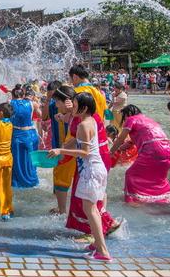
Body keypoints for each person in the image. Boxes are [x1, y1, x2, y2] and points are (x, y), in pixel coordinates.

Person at [48, 93, 112, 262]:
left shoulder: (83, 125)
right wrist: (62, 146)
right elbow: (78, 140)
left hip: (91, 171)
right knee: (92, 209)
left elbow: (84, 152)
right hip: (97, 169)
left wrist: (61, 151)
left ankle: (103, 252)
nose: (72, 108)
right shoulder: (91, 121)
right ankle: (97, 244)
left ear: (84, 108)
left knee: (90, 210)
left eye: (75, 106)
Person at [110, 105, 170, 204]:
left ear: (128, 114)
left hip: (152, 151)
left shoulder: (131, 119)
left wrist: (110, 152)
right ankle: (164, 198)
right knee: (158, 177)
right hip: (168, 150)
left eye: (124, 117)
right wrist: (121, 147)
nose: (124, 119)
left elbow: (120, 139)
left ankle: (133, 201)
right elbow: (137, 139)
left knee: (130, 174)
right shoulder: (148, 120)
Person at [48, 84, 76, 214]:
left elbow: (79, 137)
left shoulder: (78, 116)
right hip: (74, 152)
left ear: (67, 101)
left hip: (74, 153)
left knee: (60, 179)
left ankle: (62, 211)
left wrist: (62, 150)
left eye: (58, 102)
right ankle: (63, 210)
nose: (56, 105)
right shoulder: (75, 113)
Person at [9, 84, 40, 188]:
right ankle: (32, 181)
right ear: (23, 95)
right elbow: (40, 115)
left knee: (17, 160)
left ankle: (17, 183)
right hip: (29, 135)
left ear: (13, 95)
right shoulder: (32, 104)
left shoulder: (9, 103)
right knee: (30, 160)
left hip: (16, 135)